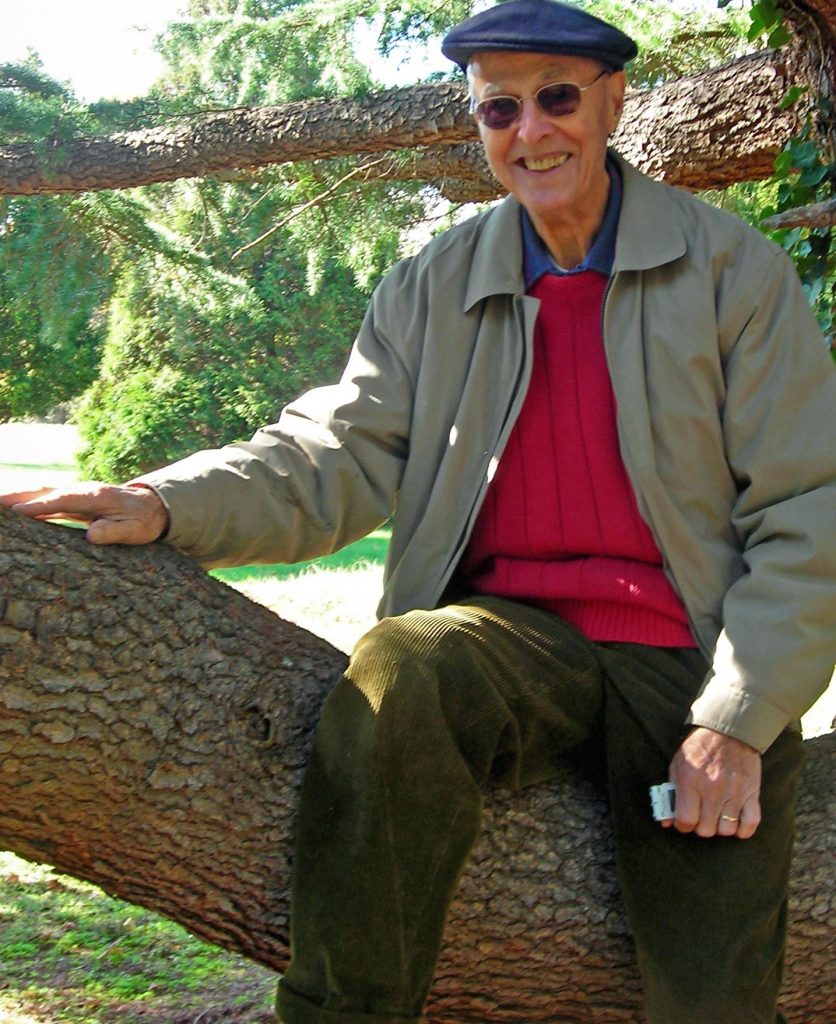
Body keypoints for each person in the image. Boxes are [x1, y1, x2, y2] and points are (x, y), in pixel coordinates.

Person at [3, 1, 835, 1021]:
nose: (530, 131)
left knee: (713, 989)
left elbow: (806, 504)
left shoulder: (730, 272)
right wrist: (162, 499)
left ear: (613, 103)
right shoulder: (435, 283)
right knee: (401, 665)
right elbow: (333, 452)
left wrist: (739, 719)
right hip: (510, 636)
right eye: (498, 110)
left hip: (688, 647)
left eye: (557, 98)